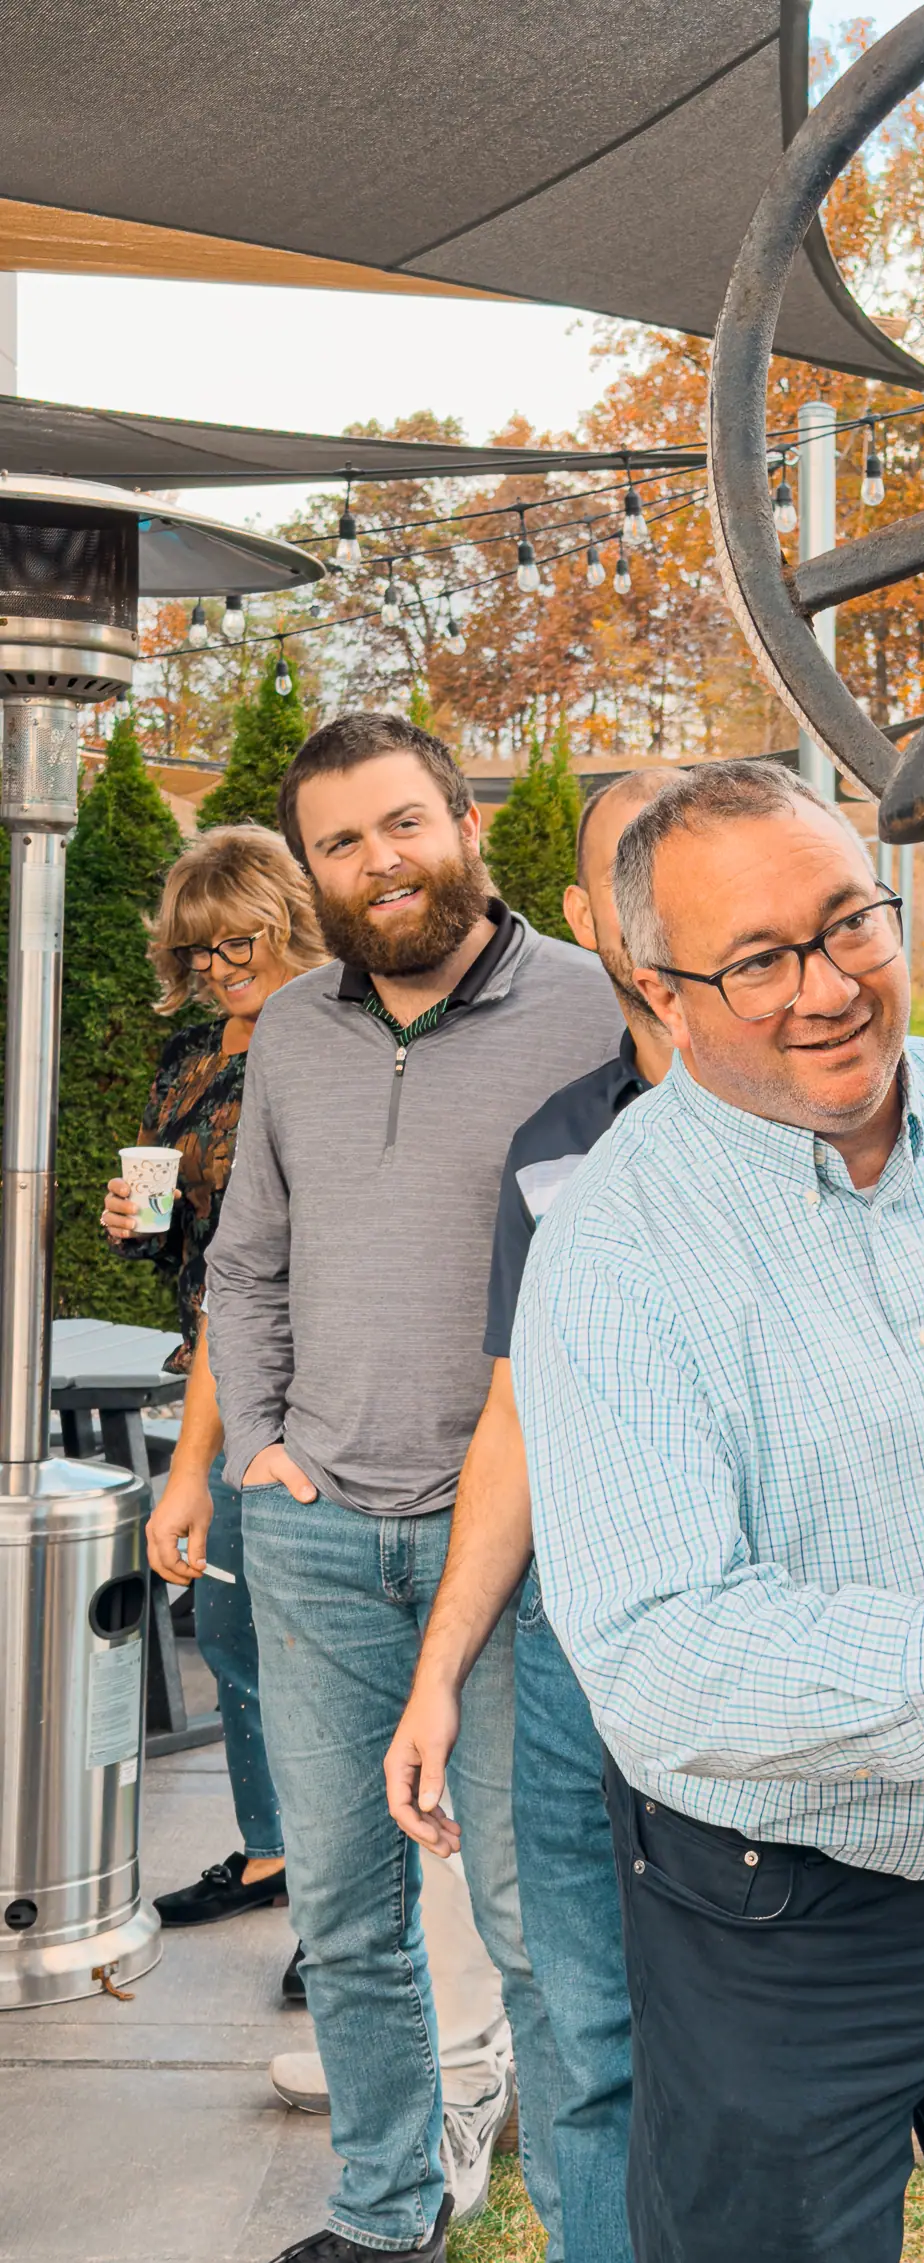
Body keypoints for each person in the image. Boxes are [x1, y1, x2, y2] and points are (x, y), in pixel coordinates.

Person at [511, 760, 924, 2263]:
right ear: (661, 991)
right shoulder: (610, 1248)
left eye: (849, 920)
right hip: (785, 1921)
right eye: (756, 960)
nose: (825, 985)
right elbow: (663, 1660)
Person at [204, 713, 626, 2263]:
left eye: (403, 824)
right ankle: (385, 2216)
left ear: (464, 821)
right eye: (341, 840)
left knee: (540, 1934)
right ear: (308, 869)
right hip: (317, 1533)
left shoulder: (596, 1013)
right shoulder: (296, 1036)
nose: (379, 861)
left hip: (521, 1550)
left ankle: (598, 2234)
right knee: (343, 1916)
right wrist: (260, 1442)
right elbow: (245, 1258)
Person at [385, 766, 673, 2262]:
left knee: (772, 2039)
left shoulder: (855, 1098)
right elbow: (516, 1411)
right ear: (586, 918)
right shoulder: (561, 1141)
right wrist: (439, 1673)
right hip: (571, 1644)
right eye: (638, 866)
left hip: (774, 1641)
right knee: (575, 2002)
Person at [99, 826, 324, 1984]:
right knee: (234, 1633)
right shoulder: (190, 1058)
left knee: (313, 1645)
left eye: (240, 937)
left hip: (317, 1377)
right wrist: (136, 1227)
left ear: (287, 913)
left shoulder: (339, 1028)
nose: (223, 964)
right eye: (199, 948)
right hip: (214, 1375)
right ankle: (275, 1853)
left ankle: (341, 1911)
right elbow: (196, 1246)